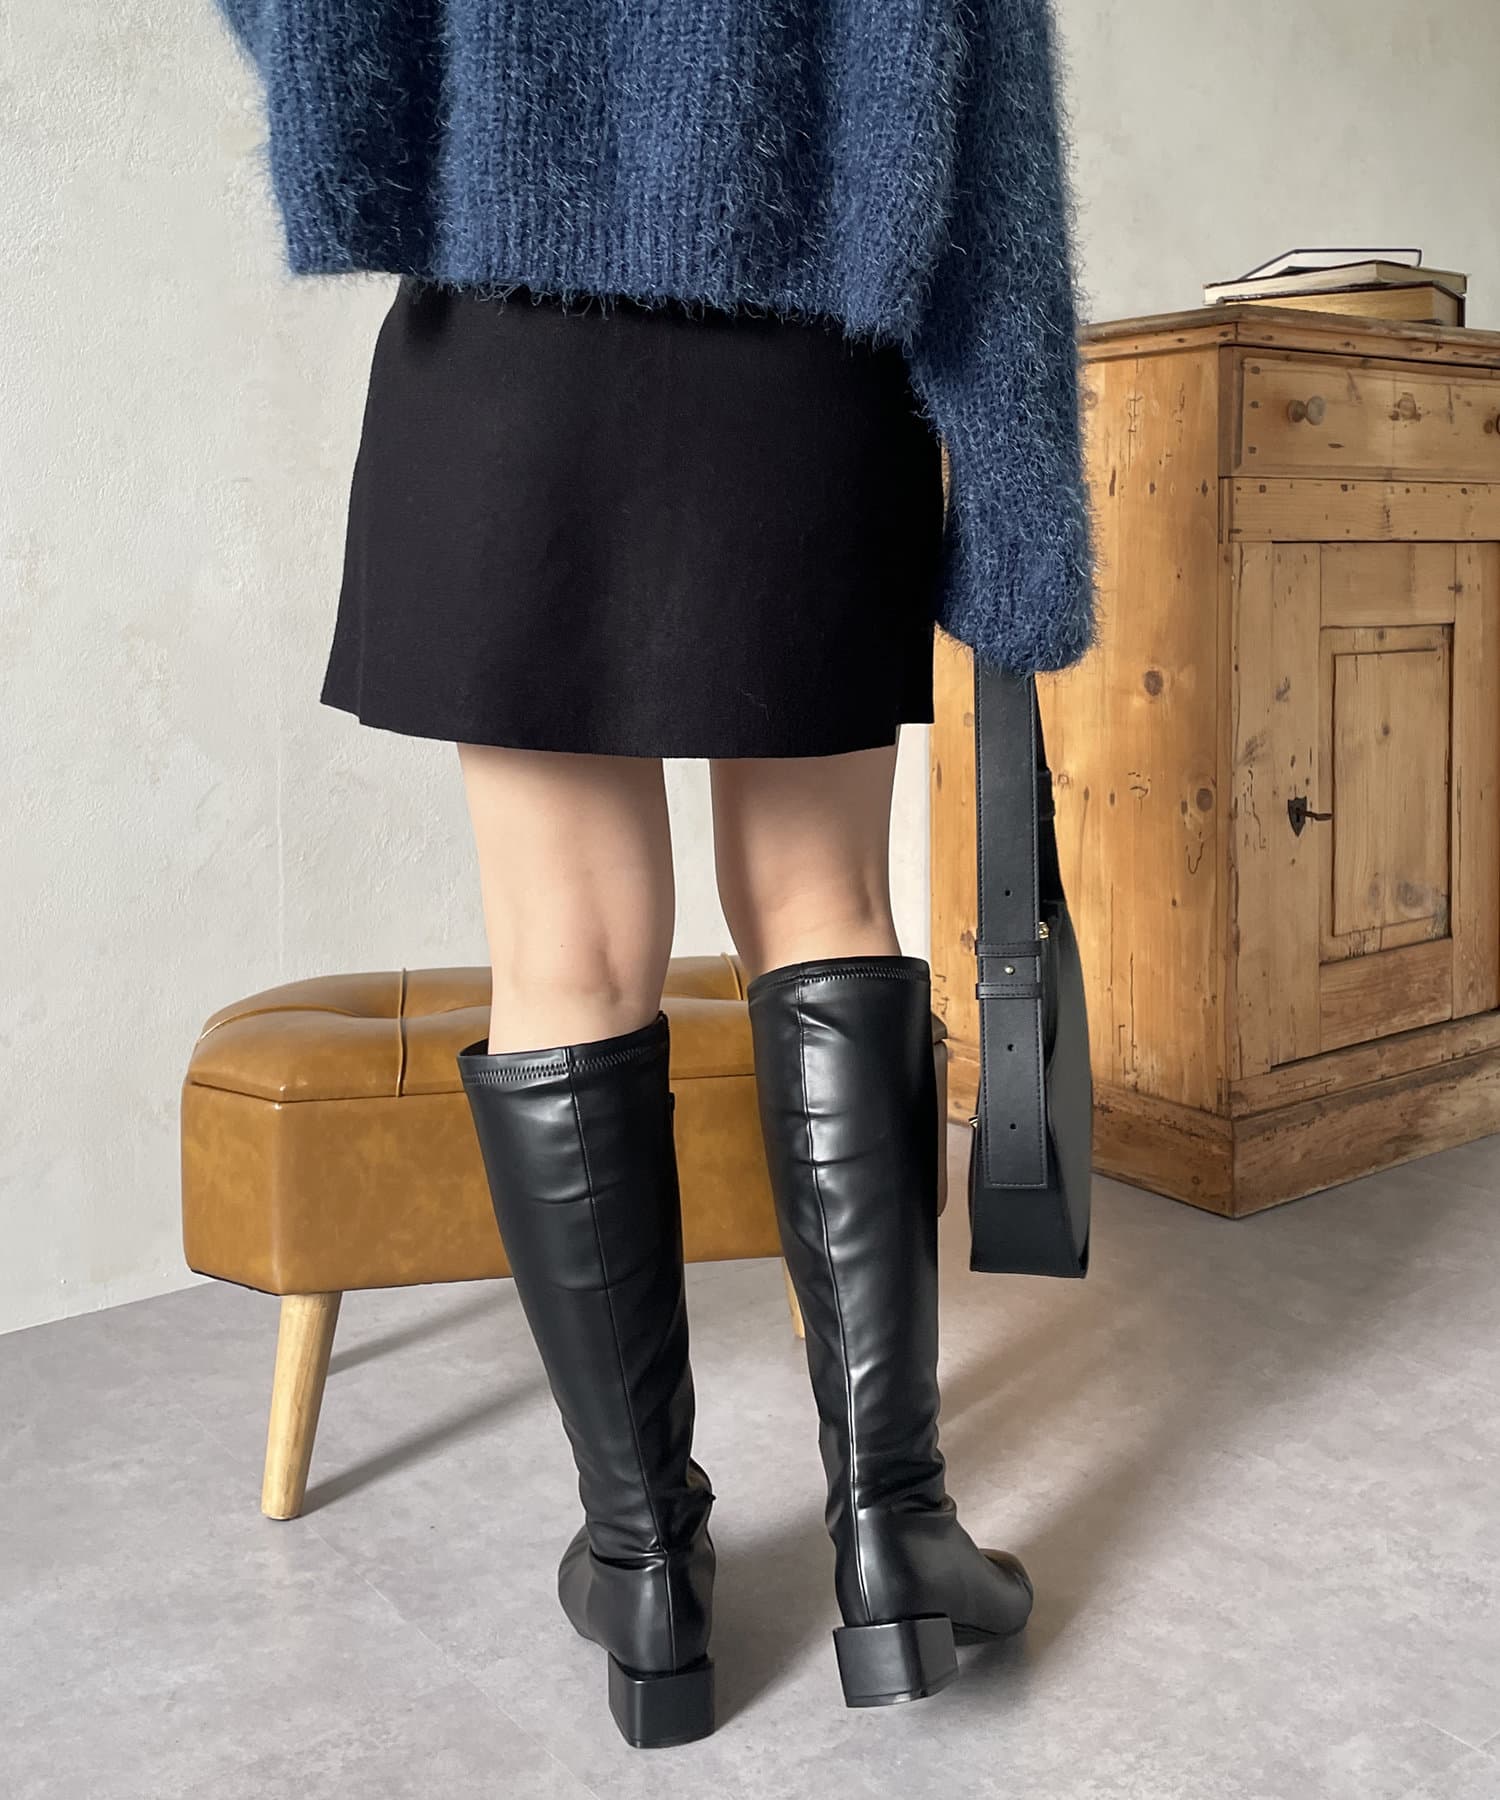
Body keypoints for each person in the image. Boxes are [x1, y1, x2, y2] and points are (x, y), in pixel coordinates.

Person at [209, 0, 1096, 1750]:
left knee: (562, 952)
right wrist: (1020, 492)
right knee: (826, 908)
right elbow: (985, 128)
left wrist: (397, 120)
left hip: (503, 362)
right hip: (803, 378)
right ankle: (894, 1538)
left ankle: (644, 1571)